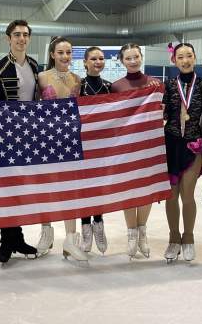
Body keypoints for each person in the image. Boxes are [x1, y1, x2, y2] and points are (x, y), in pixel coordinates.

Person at [0, 19, 39, 264]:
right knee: (7, 188)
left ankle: (17, 237)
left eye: (25, 34)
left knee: (23, 188)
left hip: (31, 136)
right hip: (7, 137)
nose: (21, 38)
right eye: (17, 34)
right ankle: (6, 240)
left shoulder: (34, 65)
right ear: (8, 38)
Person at [35, 37, 87, 263]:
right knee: (47, 187)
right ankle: (46, 234)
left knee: (70, 189)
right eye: (61, 52)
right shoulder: (41, 77)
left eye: (69, 52)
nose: (66, 56)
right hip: (46, 140)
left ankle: (70, 240)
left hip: (69, 140)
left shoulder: (78, 80)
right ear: (53, 55)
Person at [162, 43, 202, 263]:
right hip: (170, 145)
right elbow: (161, 113)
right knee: (171, 196)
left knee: (187, 195)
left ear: (194, 58)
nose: (185, 60)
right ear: (174, 60)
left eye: (189, 56)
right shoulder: (168, 85)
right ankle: (174, 238)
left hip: (193, 145)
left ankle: (189, 238)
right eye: (180, 56)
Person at [111, 43, 163, 259]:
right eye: (128, 58)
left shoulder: (156, 83)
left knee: (146, 191)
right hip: (126, 145)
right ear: (122, 61)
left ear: (141, 57)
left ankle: (142, 232)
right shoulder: (116, 86)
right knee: (128, 190)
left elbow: (163, 110)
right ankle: (131, 232)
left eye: (136, 57)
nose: (133, 61)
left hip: (149, 144)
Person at [78, 46, 111, 254]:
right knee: (84, 187)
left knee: (98, 187)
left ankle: (98, 223)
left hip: (103, 146)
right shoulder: (78, 86)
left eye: (101, 58)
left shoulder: (109, 87)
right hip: (81, 144)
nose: (98, 62)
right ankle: (85, 228)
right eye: (93, 59)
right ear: (85, 62)